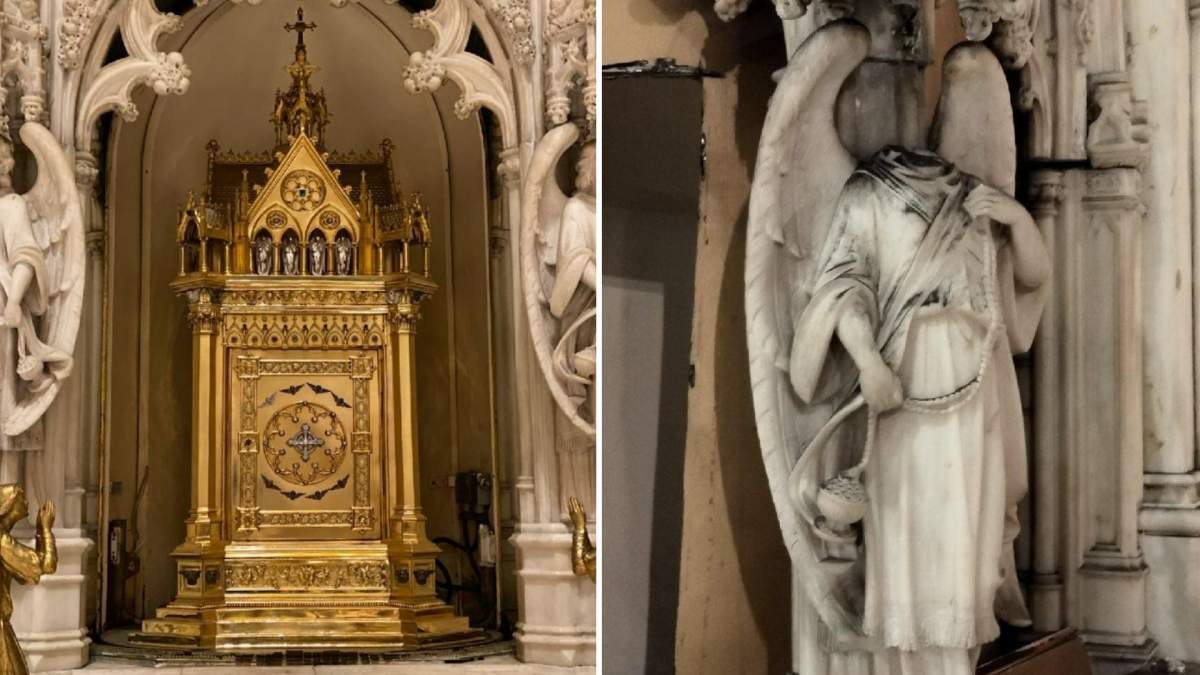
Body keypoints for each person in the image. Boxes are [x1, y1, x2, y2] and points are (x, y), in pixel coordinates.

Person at [789, 146, 1049, 672]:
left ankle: (956, 661)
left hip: (976, 383)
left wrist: (1018, 219)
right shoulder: (869, 190)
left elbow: (1032, 277)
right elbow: (842, 288)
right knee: (912, 530)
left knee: (971, 549)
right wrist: (868, 362)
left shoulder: (971, 192)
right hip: (908, 379)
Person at [0, 484, 55, 675]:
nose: (26, 502)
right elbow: (46, 565)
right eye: (21, 497)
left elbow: (26, 574)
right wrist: (45, 529)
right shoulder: (2, 542)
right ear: (8, 506)